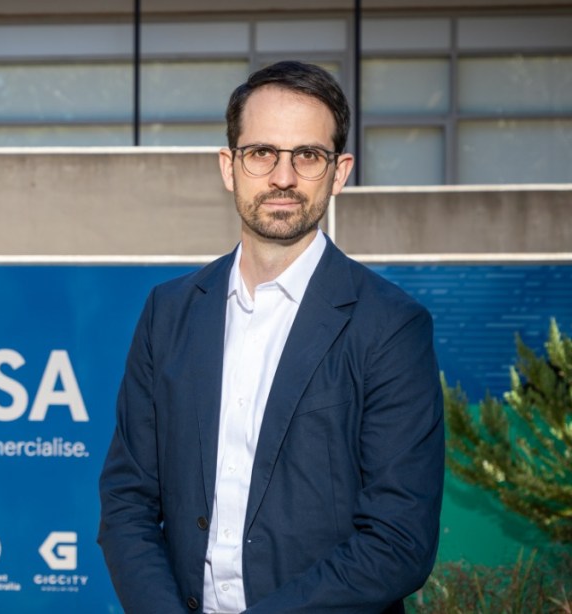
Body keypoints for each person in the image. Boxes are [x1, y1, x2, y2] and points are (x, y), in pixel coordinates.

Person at [97, 60, 444, 613]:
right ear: (229, 166)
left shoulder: (390, 326)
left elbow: (398, 540)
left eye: (307, 155)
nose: (283, 177)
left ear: (340, 172)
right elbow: (127, 502)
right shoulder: (169, 313)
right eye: (261, 153)